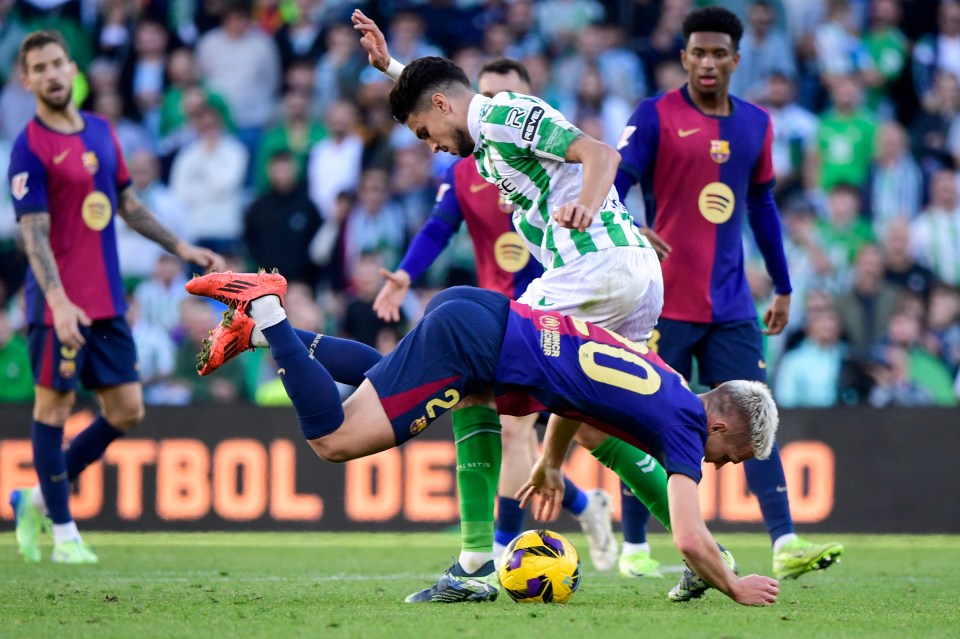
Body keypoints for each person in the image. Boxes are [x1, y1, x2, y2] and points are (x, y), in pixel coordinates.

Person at [186, 270, 781, 607]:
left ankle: (261, 337)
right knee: (335, 440)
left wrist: (549, 462)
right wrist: (732, 584)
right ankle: (266, 310)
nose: (725, 466)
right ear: (722, 424)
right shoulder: (685, 429)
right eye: (734, 456)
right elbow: (688, 535)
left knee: (386, 380)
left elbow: (582, 404)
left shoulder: (673, 384)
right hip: (478, 346)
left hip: (488, 322)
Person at [353, 10, 674, 593]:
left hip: (593, 269)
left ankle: (478, 561)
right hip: (625, 277)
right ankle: (708, 552)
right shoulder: (484, 139)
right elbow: (440, 93)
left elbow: (601, 154)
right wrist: (393, 70)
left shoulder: (503, 113)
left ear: (444, 109)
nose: (431, 149)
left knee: (472, 378)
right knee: (608, 424)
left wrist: (589, 206)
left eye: (425, 133)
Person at [614, 7, 843, 585]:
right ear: (684, 56)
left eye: (720, 53)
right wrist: (627, 225)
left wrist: (785, 283)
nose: (709, 62)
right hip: (662, 303)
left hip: (733, 306)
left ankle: (786, 541)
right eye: (699, 52)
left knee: (754, 416)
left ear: (736, 60)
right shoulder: (656, 115)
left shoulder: (757, 125)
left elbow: (763, 206)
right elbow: (614, 183)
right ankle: (635, 544)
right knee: (646, 416)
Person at [6, 31, 224, 564]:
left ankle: (32, 499)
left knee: (126, 409)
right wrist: (57, 303)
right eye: (41, 68)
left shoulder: (102, 132)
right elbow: (31, 233)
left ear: (73, 68)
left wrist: (179, 243)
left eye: (59, 64)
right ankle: (64, 534)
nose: (53, 74)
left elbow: (126, 203)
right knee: (52, 409)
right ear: (26, 79)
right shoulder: (29, 146)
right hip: (57, 306)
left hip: (106, 300)